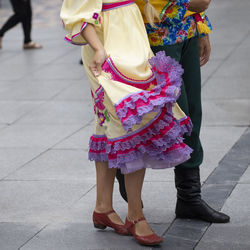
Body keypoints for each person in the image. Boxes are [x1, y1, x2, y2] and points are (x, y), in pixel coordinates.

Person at [61, 0, 194, 246]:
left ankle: (103, 207)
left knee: (108, 124)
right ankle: (135, 215)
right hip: (107, 48)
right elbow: (77, 11)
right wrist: (98, 49)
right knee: (130, 125)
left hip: (133, 42)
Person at [116, 0, 230, 223]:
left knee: (192, 114)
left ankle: (189, 197)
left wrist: (200, 24)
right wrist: (187, 2)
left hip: (185, 28)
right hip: (155, 31)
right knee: (167, 115)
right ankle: (125, 170)